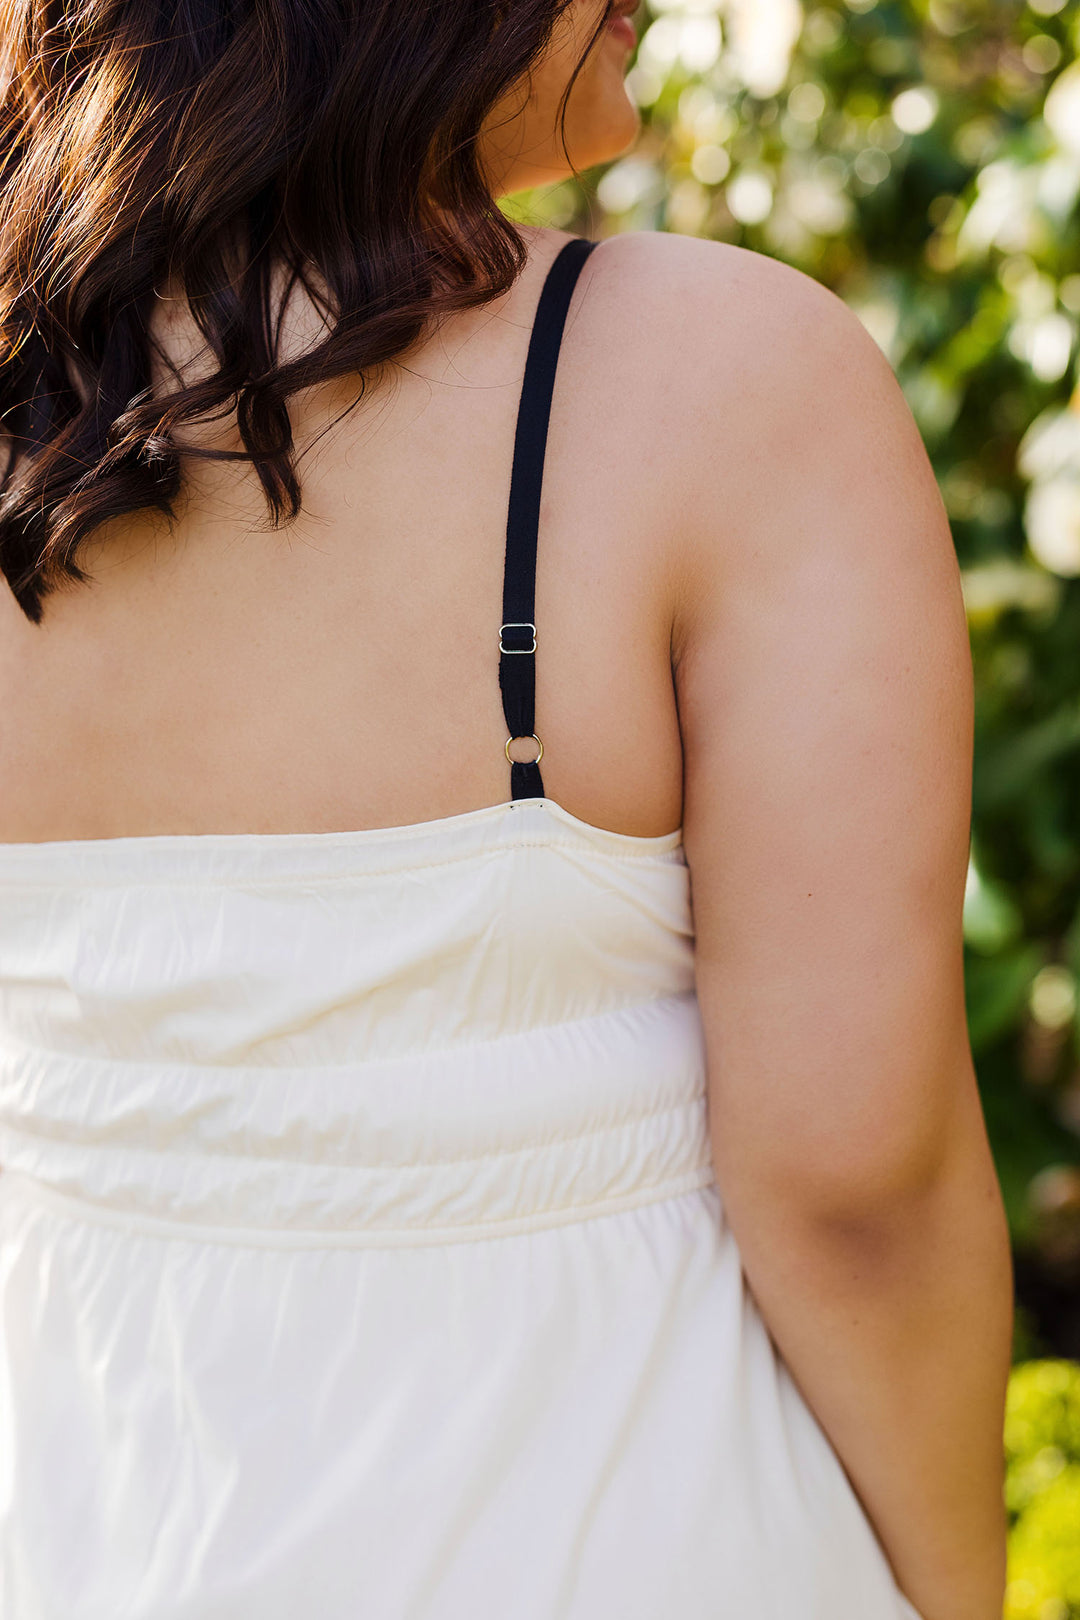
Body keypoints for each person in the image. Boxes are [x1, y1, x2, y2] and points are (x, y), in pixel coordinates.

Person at [0, 3, 1012, 1618]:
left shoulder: (26, 417)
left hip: (91, 1521)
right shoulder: (718, 378)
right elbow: (853, 1178)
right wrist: (958, 1589)